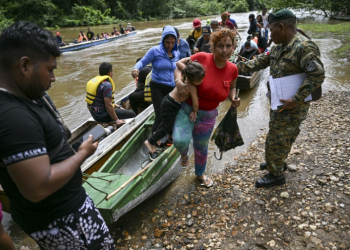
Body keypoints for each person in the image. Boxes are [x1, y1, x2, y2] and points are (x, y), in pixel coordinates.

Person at [0, 21, 115, 249]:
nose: (53, 79)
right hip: (64, 221)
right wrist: (82, 154)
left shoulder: (20, 98)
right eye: (50, 70)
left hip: (62, 215)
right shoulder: (13, 117)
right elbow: (37, 187)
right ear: (25, 65)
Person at [237, 9, 325, 188]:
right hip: (280, 100)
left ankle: (275, 174)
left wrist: (297, 99)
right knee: (284, 135)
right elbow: (261, 61)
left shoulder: (303, 47)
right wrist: (236, 67)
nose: (268, 33)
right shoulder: (278, 46)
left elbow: (317, 75)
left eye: (270, 29)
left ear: (282, 27)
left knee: (277, 137)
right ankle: (278, 161)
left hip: (293, 104)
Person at [173, 28, 240, 187]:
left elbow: (232, 87)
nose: (224, 50)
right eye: (220, 46)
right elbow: (178, 66)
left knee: (201, 147)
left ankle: (200, 174)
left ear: (233, 49)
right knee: (180, 140)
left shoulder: (233, 69)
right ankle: (184, 154)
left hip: (208, 115)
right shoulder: (201, 58)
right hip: (187, 108)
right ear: (213, 47)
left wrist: (233, 98)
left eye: (228, 46)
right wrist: (179, 82)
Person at [144, 62, 205, 160]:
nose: (202, 81)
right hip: (171, 104)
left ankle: (156, 137)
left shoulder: (184, 76)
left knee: (164, 123)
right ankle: (150, 141)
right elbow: (196, 103)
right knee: (166, 127)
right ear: (192, 79)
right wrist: (194, 111)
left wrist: (189, 60)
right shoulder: (191, 86)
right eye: (199, 80)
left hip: (167, 100)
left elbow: (179, 63)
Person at [131, 25, 179, 135]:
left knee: (172, 113)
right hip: (158, 86)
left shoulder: (176, 53)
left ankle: (170, 137)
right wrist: (135, 68)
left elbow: (179, 68)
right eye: (167, 42)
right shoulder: (155, 51)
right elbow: (142, 62)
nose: (170, 45)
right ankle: (153, 143)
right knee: (160, 115)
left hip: (172, 87)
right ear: (163, 40)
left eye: (172, 42)